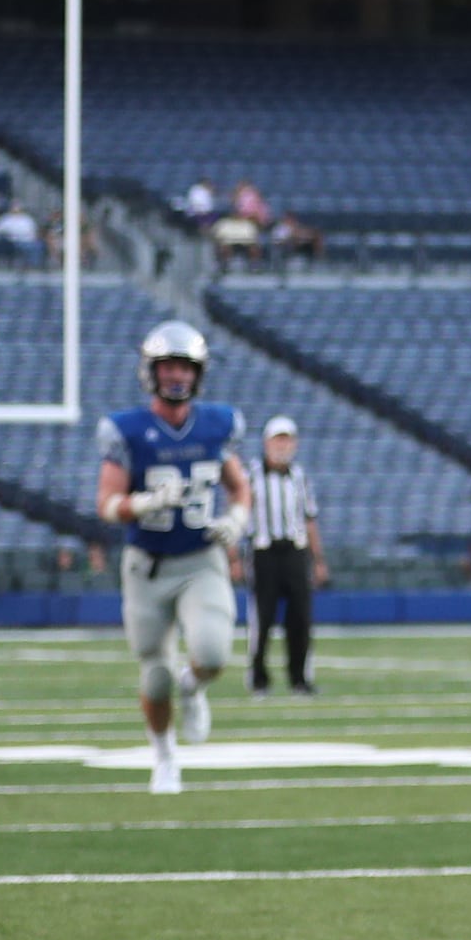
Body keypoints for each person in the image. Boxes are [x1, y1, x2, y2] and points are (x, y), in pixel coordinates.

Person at [97, 323, 249, 795]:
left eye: (185, 366)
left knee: (211, 654)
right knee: (155, 675)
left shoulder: (217, 423)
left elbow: (239, 485)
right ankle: (163, 755)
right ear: (152, 371)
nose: (177, 375)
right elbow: (105, 503)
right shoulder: (127, 430)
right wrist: (141, 504)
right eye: (168, 365)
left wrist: (238, 520)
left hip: (201, 560)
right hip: (147, 566)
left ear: (197, 373)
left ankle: (195, 686)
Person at [242, 414, 324, 695]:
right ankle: (258, 679)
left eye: (287, 439)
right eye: (278, 439)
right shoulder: (250, 475)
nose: (282, 445)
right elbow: (238, 515)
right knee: (261, 618)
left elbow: (310, 519)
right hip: (263, 552)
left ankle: (299, 678)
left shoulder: (300, 476)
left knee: (300, 617)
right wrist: (233, 557)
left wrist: (318, 559)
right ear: (266, 443)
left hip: (295, 552)